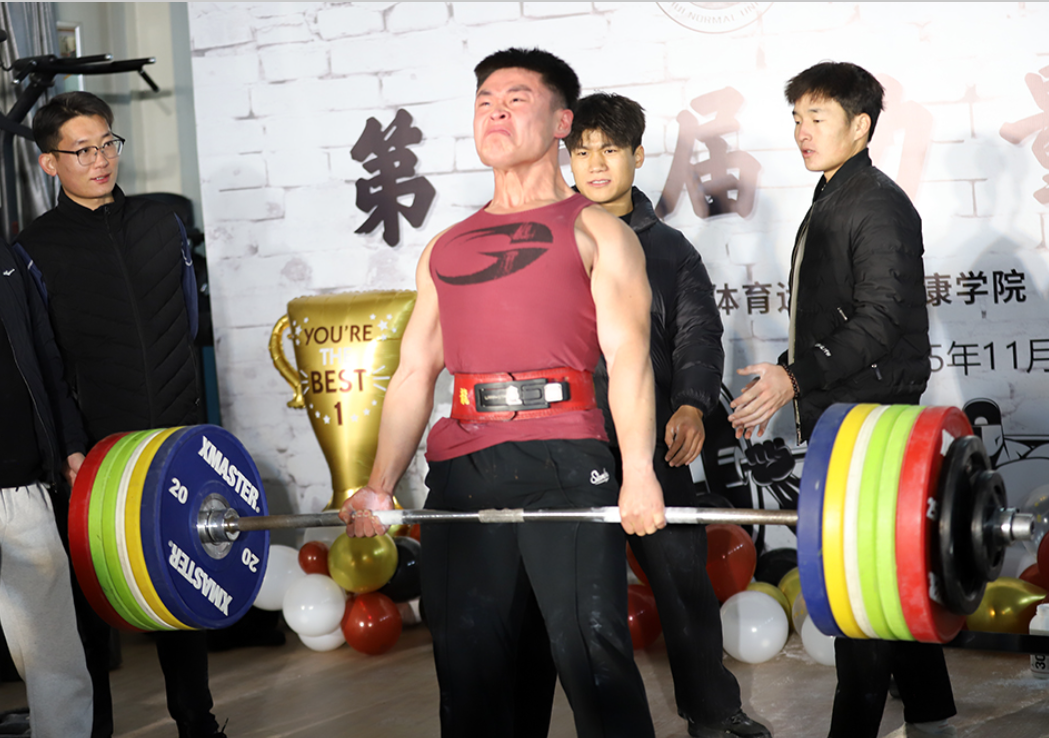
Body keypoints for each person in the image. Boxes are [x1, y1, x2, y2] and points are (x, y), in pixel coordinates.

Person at [339, 48, 664, 738]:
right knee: (470, 667)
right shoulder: (446, 247)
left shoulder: (598, 232)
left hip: (565, 461)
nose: (495, 112)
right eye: (485, 101)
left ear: (560, 122)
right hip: (463, 468)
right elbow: (413, 373)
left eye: (517, 99)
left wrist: (638, 473)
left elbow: (629, 361)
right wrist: (379, 485)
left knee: (592, 656)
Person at [512, 91, 771, 738]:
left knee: (683, 584)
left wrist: (690, 405)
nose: (595, 164)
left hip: (652, 446)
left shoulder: (670, 250)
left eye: (610, 150)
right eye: (581, 152)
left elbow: (697, 335)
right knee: (569, 598)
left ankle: (713, 711)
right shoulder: (540, 241)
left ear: (637, 155)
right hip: (566, 450)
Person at [727, 62, 957, 738]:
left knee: (861, 589)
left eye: (817, 117)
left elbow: (879, 320)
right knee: (885, 576)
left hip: (876, 422)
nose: (801, 131)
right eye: (797, 118)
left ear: (860, 126)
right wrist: (791, 378)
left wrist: (794, 378)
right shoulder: (834, 194)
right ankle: (932, 717)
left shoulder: (875, 203)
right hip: (853, 417)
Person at [14, 91, 226, 738]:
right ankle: (96, 730)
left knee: (180, 584)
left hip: (173, 437)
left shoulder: (162, 223)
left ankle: (197, 722)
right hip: (97, 453)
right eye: (82, 151)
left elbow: (188, 322)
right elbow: (46, 359)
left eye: (107, 143)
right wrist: (71, 446)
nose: (101, 160)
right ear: (50, 163)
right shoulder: (35, 248)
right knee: (92, 599)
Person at [0, 236, 94, 737]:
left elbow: (45, 358)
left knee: (51, 648)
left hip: (21, 487)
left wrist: (69, 444)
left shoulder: (9, 260)